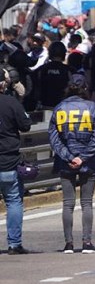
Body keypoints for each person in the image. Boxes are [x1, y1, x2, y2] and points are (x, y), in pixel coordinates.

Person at [48, 74, 95, 254]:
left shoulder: (59, 109)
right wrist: (83, 157)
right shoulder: (92, 108)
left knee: (68, 203)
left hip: (65, 162)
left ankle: (68, 244)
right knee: (86, 203)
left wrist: (68, 156)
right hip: (88, 161)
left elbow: (54, 139)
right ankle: (87, 242)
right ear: (85, 88)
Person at [0, 77, 32, 254]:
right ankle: (14, 244)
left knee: (14, 201)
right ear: (2, 85)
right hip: (9, 162)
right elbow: (26, 125)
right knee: (13, 201)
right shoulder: (11, 102)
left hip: (8, 161)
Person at [34, 41, 71, 112]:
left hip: (45, 106)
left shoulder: (42, 69)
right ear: (64, 53)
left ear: (50, 52)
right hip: (63, 107)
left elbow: (36, 88)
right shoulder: (69, 70)